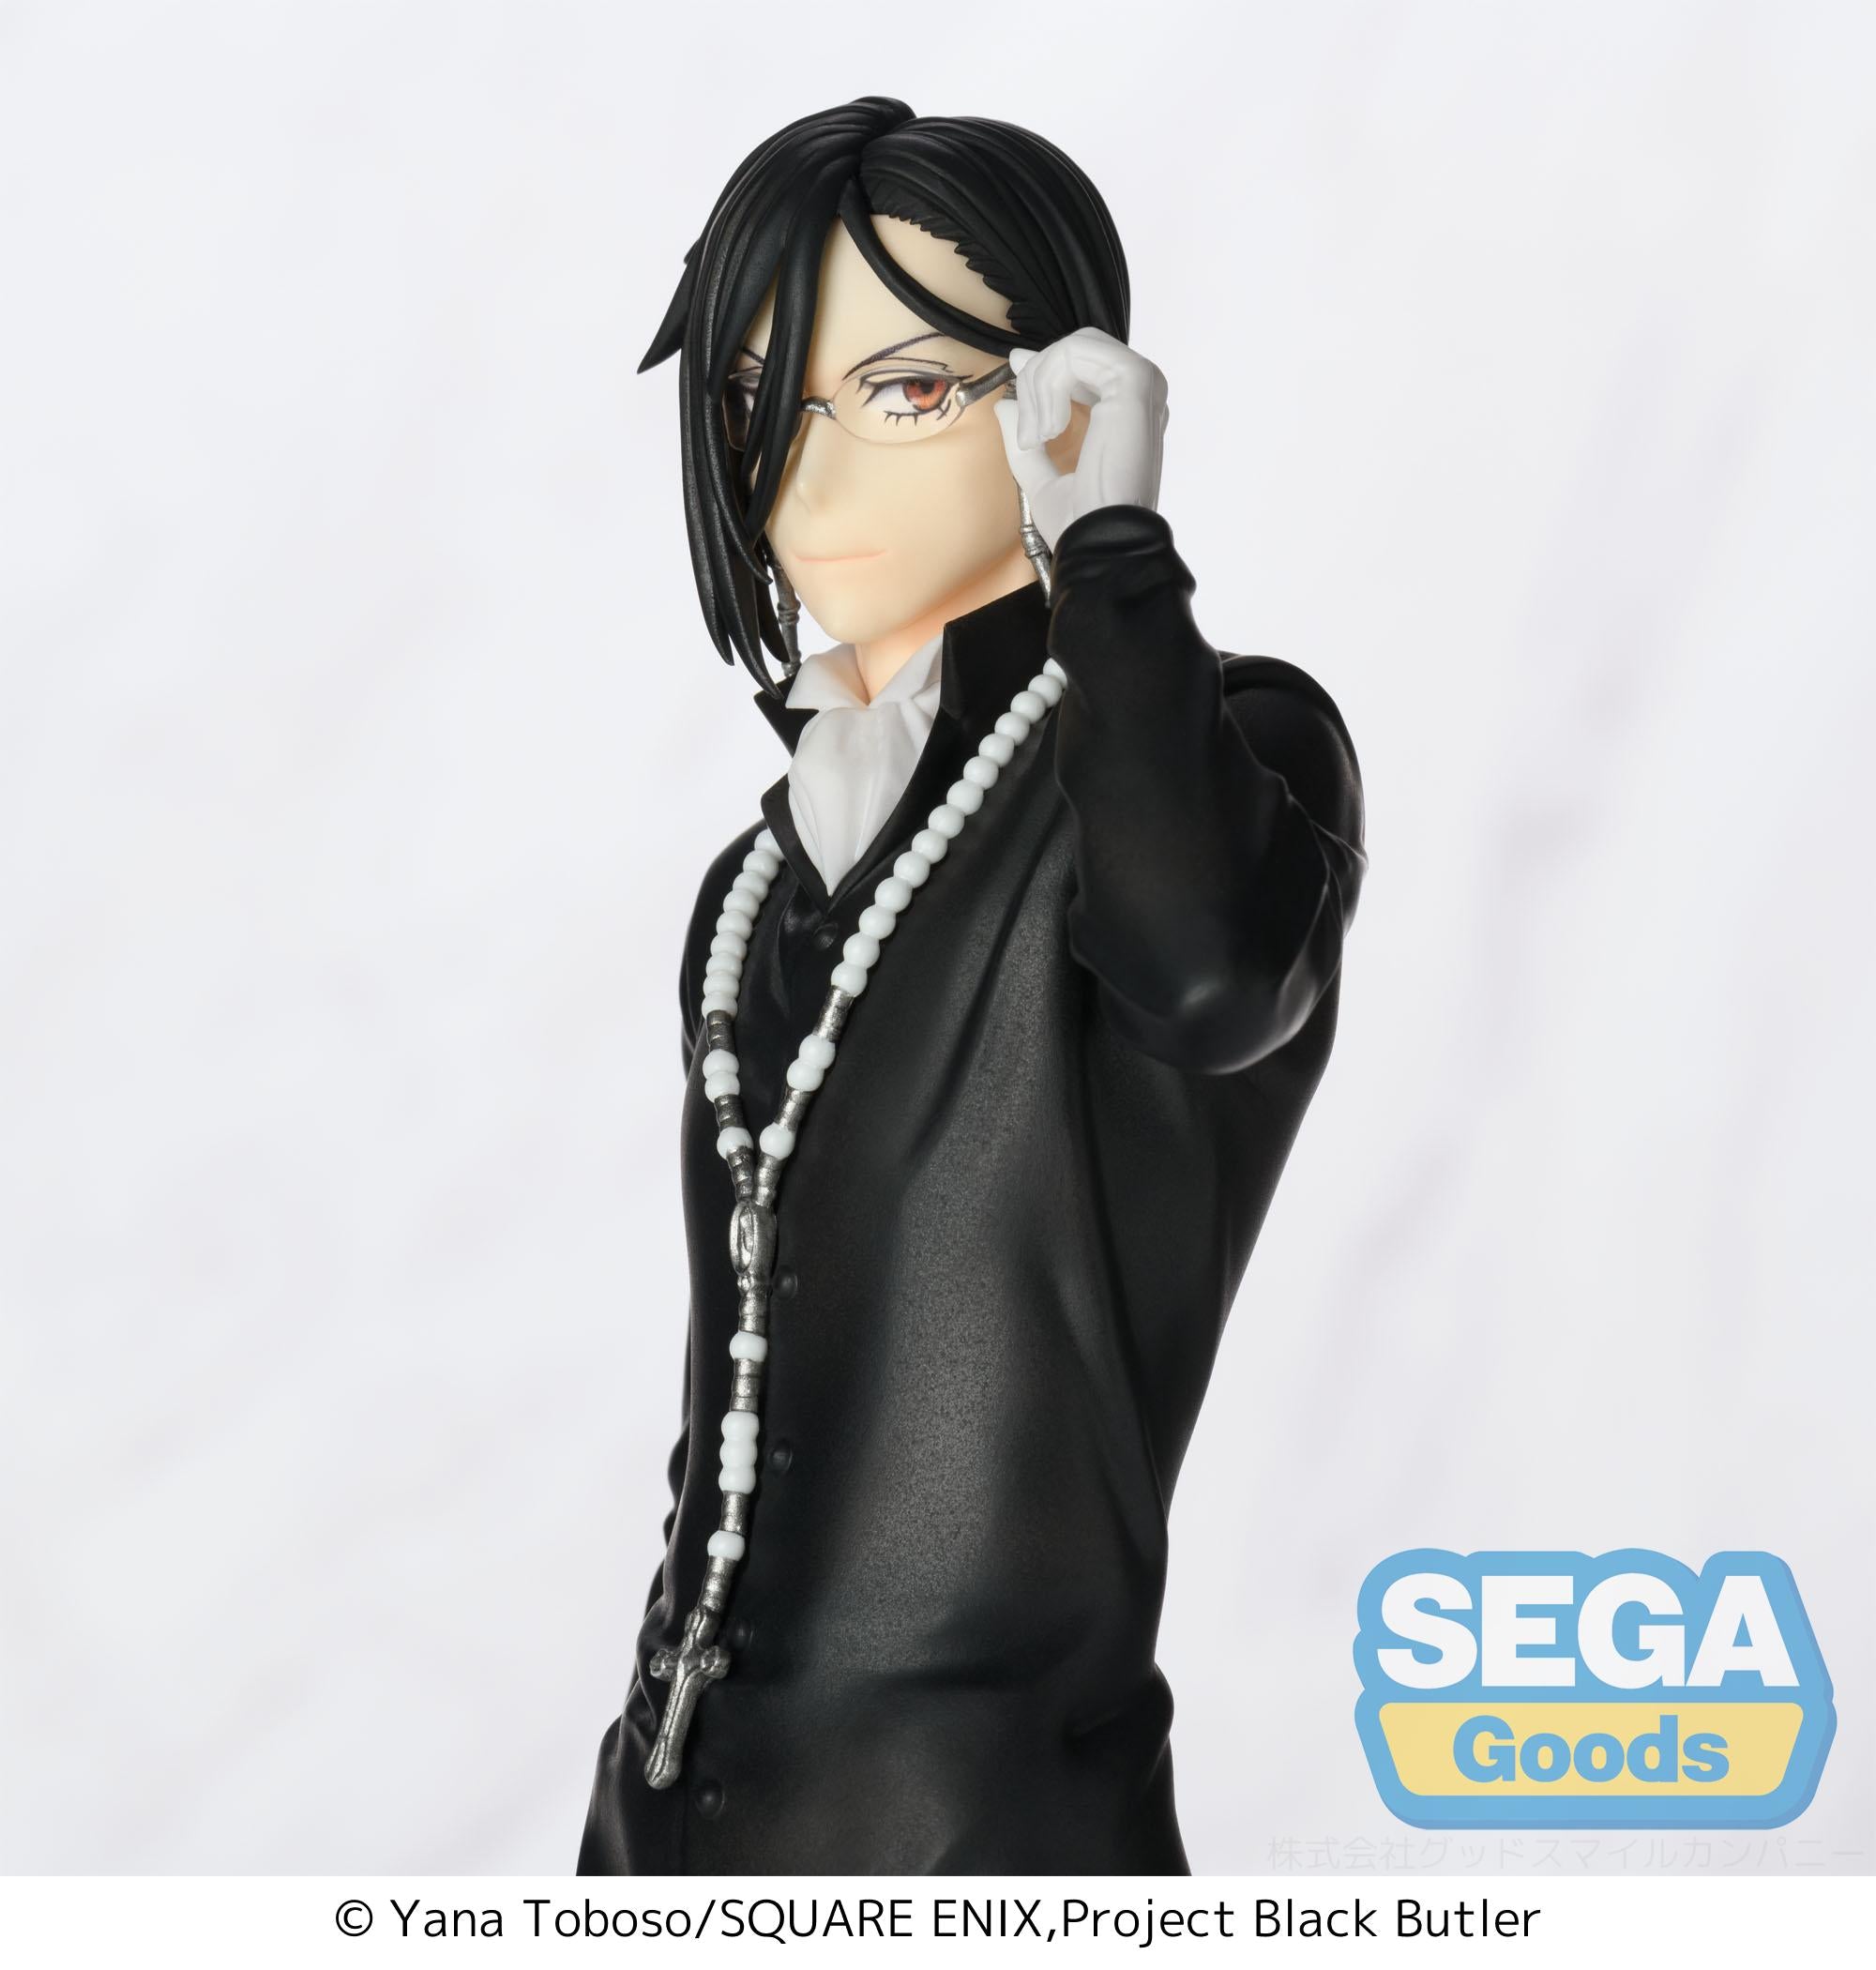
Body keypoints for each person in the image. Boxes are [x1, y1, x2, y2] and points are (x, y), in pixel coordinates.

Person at [578, 97, 1366, 1874]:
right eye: (760, 398)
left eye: (911, 388)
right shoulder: (756, 885)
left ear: (1060, 393)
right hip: (666, 1814)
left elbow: (1213, 981)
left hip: (990, 1836)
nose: (811, 472)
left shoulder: (1220, 753)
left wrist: (1112, 554)